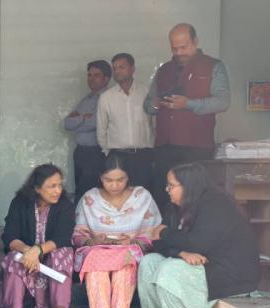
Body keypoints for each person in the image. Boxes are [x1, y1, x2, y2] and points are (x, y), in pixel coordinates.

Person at [133, 163, 259, 308]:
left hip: (228, 273)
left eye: (171, 185)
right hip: (197, 264)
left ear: (188, 186)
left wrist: (166, 234)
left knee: (170, 269)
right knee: (149, 262)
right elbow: (157, 242)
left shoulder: (216, 205)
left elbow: (196, 243)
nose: (167, 190)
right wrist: (180, 253)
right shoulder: (174, 207)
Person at [73, 155, 161, 308]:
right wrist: (92, 241)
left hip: (130, 249)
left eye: (120, 180)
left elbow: (154, 233)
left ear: (128, 177)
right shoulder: (90, 198)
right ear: (100, 177)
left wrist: (132, 241)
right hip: (98, 249)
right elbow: (78, 235)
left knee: (125, 261)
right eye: (108, 180)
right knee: (95, 259)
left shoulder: (142, 196)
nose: (114, 185)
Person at [144, 23, 231, 207]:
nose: (179, 53)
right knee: (163, 196)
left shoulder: (213, 66)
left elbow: (222, 102)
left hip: (197, 146)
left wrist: (188, 104)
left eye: (184, 47)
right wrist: (156, 103)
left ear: (195, 41)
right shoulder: (163, 70)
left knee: (196, 195)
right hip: (165, 147)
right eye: (174, 48)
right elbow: (148, 106)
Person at [0, 164, 74, 308]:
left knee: (62, 255)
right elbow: (9, 236)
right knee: (14, 259)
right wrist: (28, 251)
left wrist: (38, 250)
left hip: (51, 260)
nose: (58, 190)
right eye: (52, 186)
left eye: (59, 185)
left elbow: (63, 238)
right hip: (27, 259)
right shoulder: (20, 203)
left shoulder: (65, 205)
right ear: (37, 188)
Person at [96, 53, 155, 190]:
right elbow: (101, 129)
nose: (117, 71)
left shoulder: (147, 93)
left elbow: (155, 123)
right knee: (117, 193)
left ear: (132, 69)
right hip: (117, 155)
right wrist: (107, 152)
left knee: (142, 193)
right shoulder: (106, 97)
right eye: (115, 68)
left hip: (143, 155)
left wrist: (153, 151)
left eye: (121, 67)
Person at [65, 60, 111, 203]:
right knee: (81, 191)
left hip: (96, 153)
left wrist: (78, 120)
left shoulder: (108, 98)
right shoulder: (86, 100)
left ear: (106, 78)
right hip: (81, 152)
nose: (91, 79)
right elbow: (67, 124)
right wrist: (82, 118)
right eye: (89, 75)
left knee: (90, 194)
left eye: (96, 75)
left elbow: (96, 123)